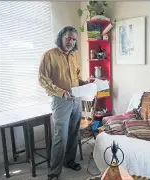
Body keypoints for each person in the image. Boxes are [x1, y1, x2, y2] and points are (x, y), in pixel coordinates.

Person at [38, 26, 88, 180]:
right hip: (61, 101)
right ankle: (54, 172)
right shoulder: (49, 55)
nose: (71, 41)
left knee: (74, 133)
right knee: (61, 137)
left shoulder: (73, 56)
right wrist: (61, 92)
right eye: (68, 38)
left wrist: (84, 83)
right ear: (61, 37)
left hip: (76, 100)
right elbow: (43, 80)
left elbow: (76, 78)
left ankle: (69, 161)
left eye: (73, 39)